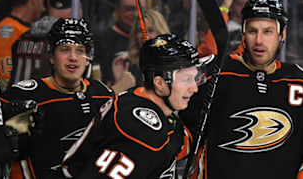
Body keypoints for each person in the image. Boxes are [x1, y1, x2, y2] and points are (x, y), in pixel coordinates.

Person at [181, 0, 303, 179]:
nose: (259, 41)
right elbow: (181, 139)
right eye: (252, 31)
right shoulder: (213, 75)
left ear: (282, 34)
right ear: (243, 33)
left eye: (268, 32)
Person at [62, 33, 204, 178]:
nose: (194, 88)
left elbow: (173, 143)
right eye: (186, 80)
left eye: (194, 78)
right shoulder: (140, 131)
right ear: (160, 83)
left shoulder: (136, 99)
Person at [1, 18, 114, 178]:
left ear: (88, 57)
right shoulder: (25, 96)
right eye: (65, 49)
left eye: (80, 50)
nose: (73, 57)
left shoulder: (102, 94)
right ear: (52, 56)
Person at [8, 0, 82, 85]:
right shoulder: (66, 45)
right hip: (44, 100)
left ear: (48, 3)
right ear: (76, 10)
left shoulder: (22, 38)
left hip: (15, 99)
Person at [0, 0, 45, 91]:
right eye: (42, 2)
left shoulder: (4, 28)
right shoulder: (9, 32)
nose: (43, 8)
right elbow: (4, 80)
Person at [111, 9, 171, 93]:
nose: (145, 35)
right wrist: (119, 83)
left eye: (150, 31)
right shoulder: (127, 64)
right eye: (140, 31)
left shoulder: (173, 64)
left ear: (161, 33)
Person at [94, 0, 146, 86]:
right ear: (117, 11)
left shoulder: (151, 38)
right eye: (130, 9)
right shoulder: (102, 39)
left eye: (140, 9)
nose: (136, 14)